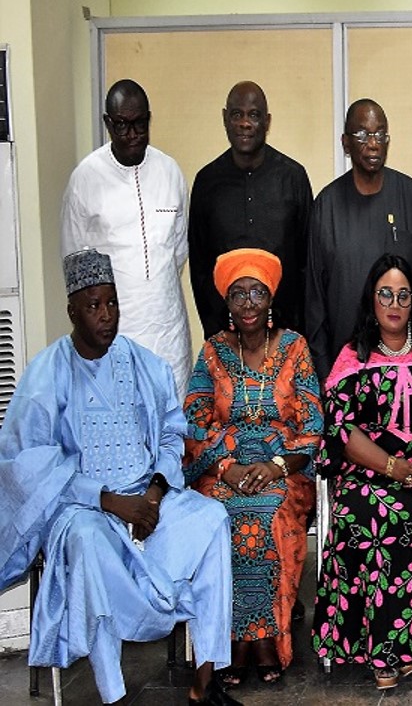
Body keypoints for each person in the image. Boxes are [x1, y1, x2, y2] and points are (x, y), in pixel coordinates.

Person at [0, 249, 238, 706]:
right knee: (88, 543)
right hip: (85, 510)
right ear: (72, 310)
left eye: (112, 303)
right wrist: (110, 502)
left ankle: (205, 682)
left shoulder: (143, 363)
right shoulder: (48, 374)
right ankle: (114, 695)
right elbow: (35, 466)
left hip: (149, 498)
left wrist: (153, 492)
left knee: (210, 519)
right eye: (93, 306)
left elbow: (172, 434)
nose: (106, 316)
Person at [311, 253, 412, 690]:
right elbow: (343, 431)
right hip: (367, 473)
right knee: (358, 513)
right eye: (385, 294)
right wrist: (393, 468)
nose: (394, 303)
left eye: (403, 294)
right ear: (371, 300)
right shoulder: (351, 357)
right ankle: (382, 648)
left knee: (397, 517)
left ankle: (389, 651)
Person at [181, 248, 322, 687]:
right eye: (238, 294)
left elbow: (314, 425)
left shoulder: (295, 347)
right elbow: (192, 421)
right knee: (220, 516)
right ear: (226, 302)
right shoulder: (212, 352)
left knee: (271, 512)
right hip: (223, 472)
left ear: (270, 299)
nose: (247, 303)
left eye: (256, 293)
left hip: (283, 472)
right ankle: (229, 644)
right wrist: (226, 468)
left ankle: (267, 641)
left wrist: (277, 465)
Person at [61, 79, 192, 393]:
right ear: (108, 123)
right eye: (121, 125)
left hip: (166, 329)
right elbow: (74, 264)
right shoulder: (85, 178)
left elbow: (177, 252)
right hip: (112, 334)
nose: (132, 134)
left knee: (170, 428)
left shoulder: (169, 171)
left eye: (140, 123)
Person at [305, 99, 412, 378]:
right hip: (344, 368)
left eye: (380, 134)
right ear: (345, 143)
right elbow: (314, 301)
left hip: (406, 367)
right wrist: (327, 377)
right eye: (362, 135)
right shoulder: (325, 207)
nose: (373, 143)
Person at [188, 81, 314, 339]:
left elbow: (307, 262)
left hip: (286, 336)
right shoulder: (206, 182)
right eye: (237, 114)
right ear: (225, 119)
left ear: (267, 122)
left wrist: (297, 333)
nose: (245, 123)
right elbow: (200, 267)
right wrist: (217, 331)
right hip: (227, 337)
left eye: (254, 115)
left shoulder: (293, 177)